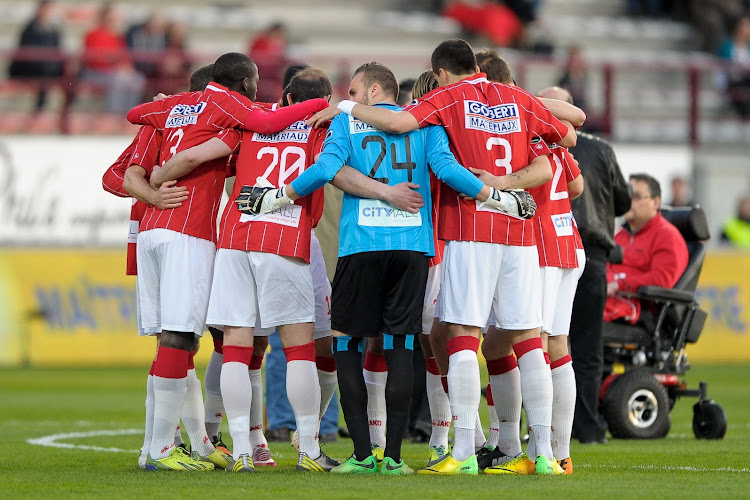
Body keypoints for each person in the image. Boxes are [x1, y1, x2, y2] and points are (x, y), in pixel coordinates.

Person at [257, 48, 564, 475]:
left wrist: (279, 197)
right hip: (417, 246)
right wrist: (497, 194)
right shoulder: (430, 121)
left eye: (354, 90)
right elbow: (448, 167)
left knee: (353, 344)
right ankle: (403, 458)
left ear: (373, 89)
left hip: (364, 245)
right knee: (407, 345)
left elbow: (328, 168)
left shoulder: (357, 117)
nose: (350, 97)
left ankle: (367, 454)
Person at [123, 52, 329, 472]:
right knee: (297, 346)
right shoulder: (297, 124)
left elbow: (177, 155)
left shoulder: (232, 124)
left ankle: (237, 448)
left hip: (232, 237)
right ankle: (307, 448)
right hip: (276, 234)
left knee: (231, 344)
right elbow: (328, 168)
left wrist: (156, 180)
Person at [567, 119, 631, 445]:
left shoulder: (534, 140)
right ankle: (588, 428)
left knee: (537, 343)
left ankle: (539, 426)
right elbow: (624, 201)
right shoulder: (601, 149)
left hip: (548, 251)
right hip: (592, 253)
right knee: (588, 349)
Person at [605, 174, 689, 324]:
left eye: (636, 196)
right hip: (609, 299)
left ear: (655, 202)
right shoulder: (621, 235)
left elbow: (661, 280)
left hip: (638, 309)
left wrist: (618, 284)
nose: (629, 201)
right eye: (627, 195)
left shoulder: (667, 236)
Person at [81, 3, 146, 114]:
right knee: (117, 79)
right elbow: (94, 59)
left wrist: (127, 67)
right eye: (110, 18)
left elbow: (125, 57)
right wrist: (116, 65)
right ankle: (112, 115)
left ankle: (129, 113)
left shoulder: (117, 36)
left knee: (137, 80)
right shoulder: (93, 34)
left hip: (115, 72)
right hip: (96, 73)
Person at [8, 0, 63, 112]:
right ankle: (39, 109)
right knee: (46, 70)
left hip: (48, 67)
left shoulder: (54, 31)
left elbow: (58, 51)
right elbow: (24, 50)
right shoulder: (29, 29)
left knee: (67, 74)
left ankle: (64, 114)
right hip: (28, 67)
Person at [718, 16, 750, 119]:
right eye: (746, 26)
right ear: (738, 27)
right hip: (732, 82)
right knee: (741, 87)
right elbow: (723, 69)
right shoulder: (727, 46)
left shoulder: (748, 47)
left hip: (746, 81)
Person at [248, 22, 288, 103]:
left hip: (274, 76)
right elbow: (254, 56)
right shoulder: (260, 41)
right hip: (260, 73)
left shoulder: (281, 42)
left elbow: (281, 58)